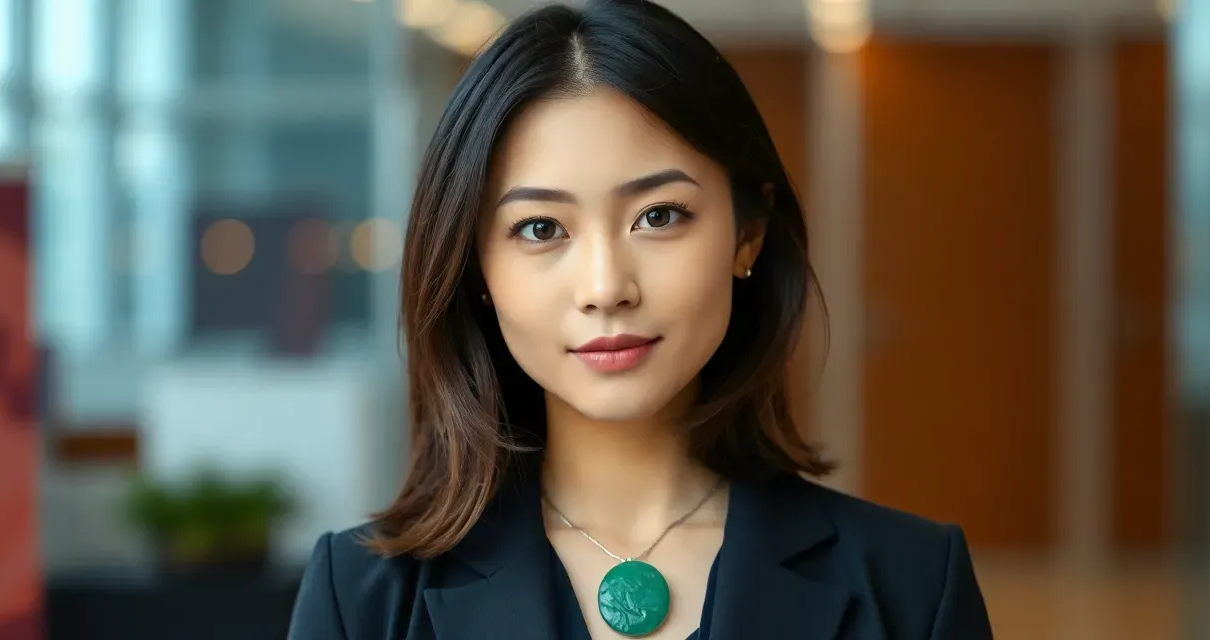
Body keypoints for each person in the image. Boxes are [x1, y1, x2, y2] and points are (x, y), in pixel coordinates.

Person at [289, 1, 993, 638]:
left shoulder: (912, 588)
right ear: (475, 268)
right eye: (540, 229)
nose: (605, 287)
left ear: (747, 235)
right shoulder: (362, 602)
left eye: (659, 216)